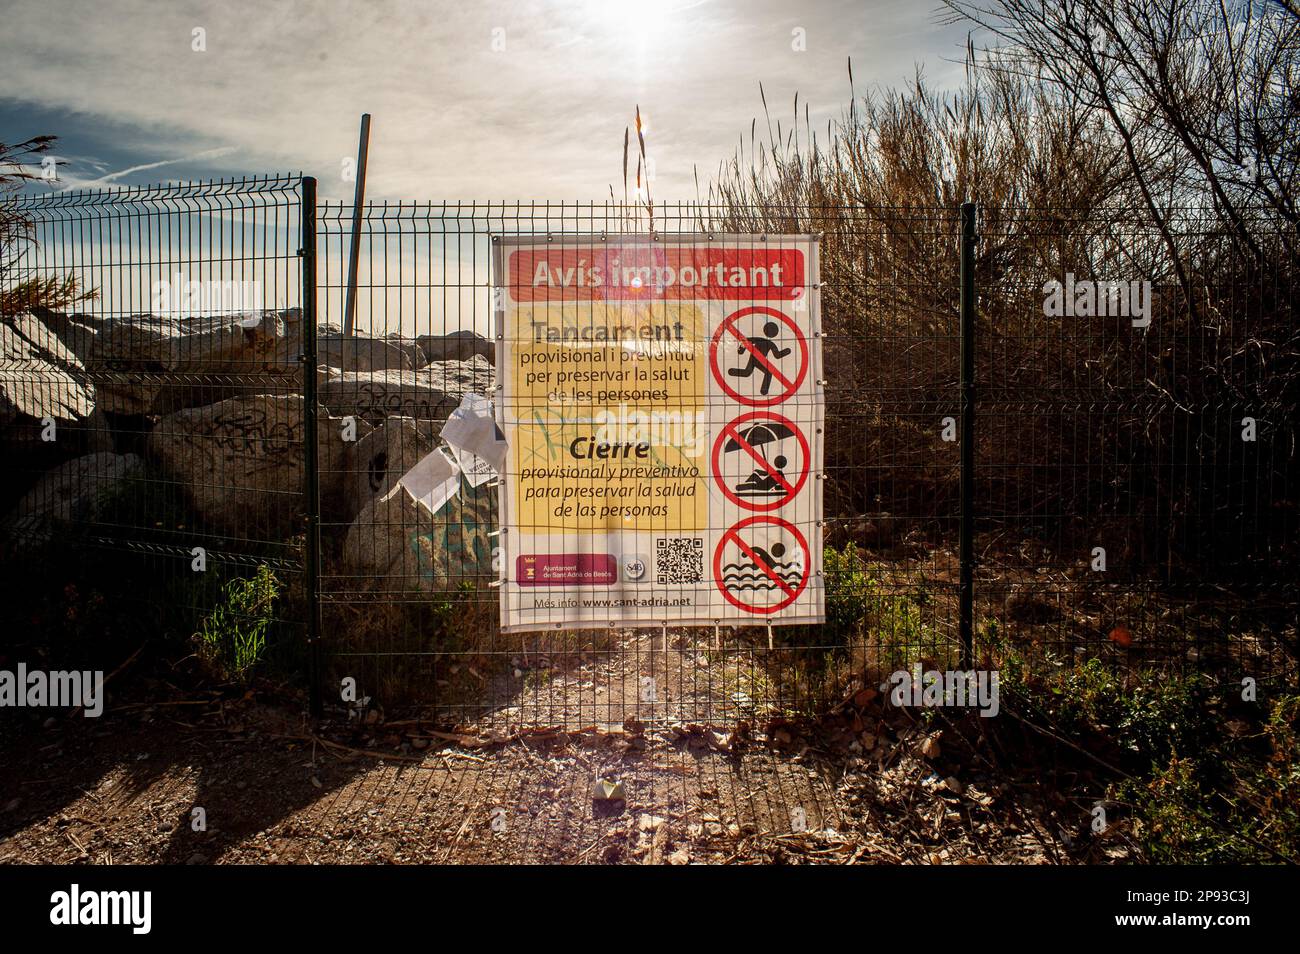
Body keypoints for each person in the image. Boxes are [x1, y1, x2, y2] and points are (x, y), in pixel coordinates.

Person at [727, 321, 791, 395]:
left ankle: (764, 390)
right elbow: (777, 355)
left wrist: (787, 351)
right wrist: (787, 351)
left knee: (748, 372)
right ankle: (764, 391)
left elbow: (777, 355)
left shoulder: (766, 342)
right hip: (756, 359)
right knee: (751, 373)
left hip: (758, 360)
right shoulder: (769, 343)